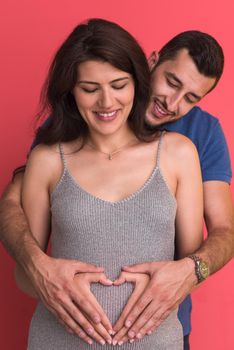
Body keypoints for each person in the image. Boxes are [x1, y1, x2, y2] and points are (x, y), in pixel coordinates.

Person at [0, 25, 233, 349]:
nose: (173, 101)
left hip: (158, 334)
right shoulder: (53, 148)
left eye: (191, 97)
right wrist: (38, 267)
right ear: (149, 65)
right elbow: (14, 211)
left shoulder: (190, 144)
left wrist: (190, 272)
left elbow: (222, 233)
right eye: (172, 82)